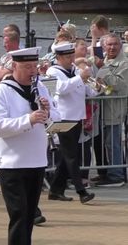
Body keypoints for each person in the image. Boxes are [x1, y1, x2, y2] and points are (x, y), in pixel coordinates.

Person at [0, 47, 60, 245]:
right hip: (13, 163)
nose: (32, 71)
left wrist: (48, 112)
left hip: (36, 161)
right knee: (19, 214)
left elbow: (57, 116)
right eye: (27, 67)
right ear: (14, 67)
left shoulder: (41, 88)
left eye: (34, 67)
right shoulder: (2, 91)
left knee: (29, 214)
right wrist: (28, 120)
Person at [46, 42, 96, 203]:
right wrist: (80, 78)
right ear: (59, 57)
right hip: (63, 118)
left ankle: (55, 190)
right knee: (72, 156)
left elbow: (88, 91)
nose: (71, 60)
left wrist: (96, 86)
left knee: (67, 157)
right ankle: (81, 191)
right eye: (67, 57)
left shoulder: (74, 71)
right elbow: (60, 89)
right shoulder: (52, 71)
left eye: (72, 56)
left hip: (77, 118)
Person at [95, 34, 128, 187]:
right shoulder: (105, 61)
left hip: (115, 108)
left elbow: (121, 85)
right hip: (103, 108)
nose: (112, 47)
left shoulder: (124, 63)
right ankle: (111, 171)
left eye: (115, 44)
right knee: (107, 142)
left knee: (113, 142)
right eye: (109, 45)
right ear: (104, 47)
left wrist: (104, 71)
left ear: (120, 46)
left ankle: (116, 176)